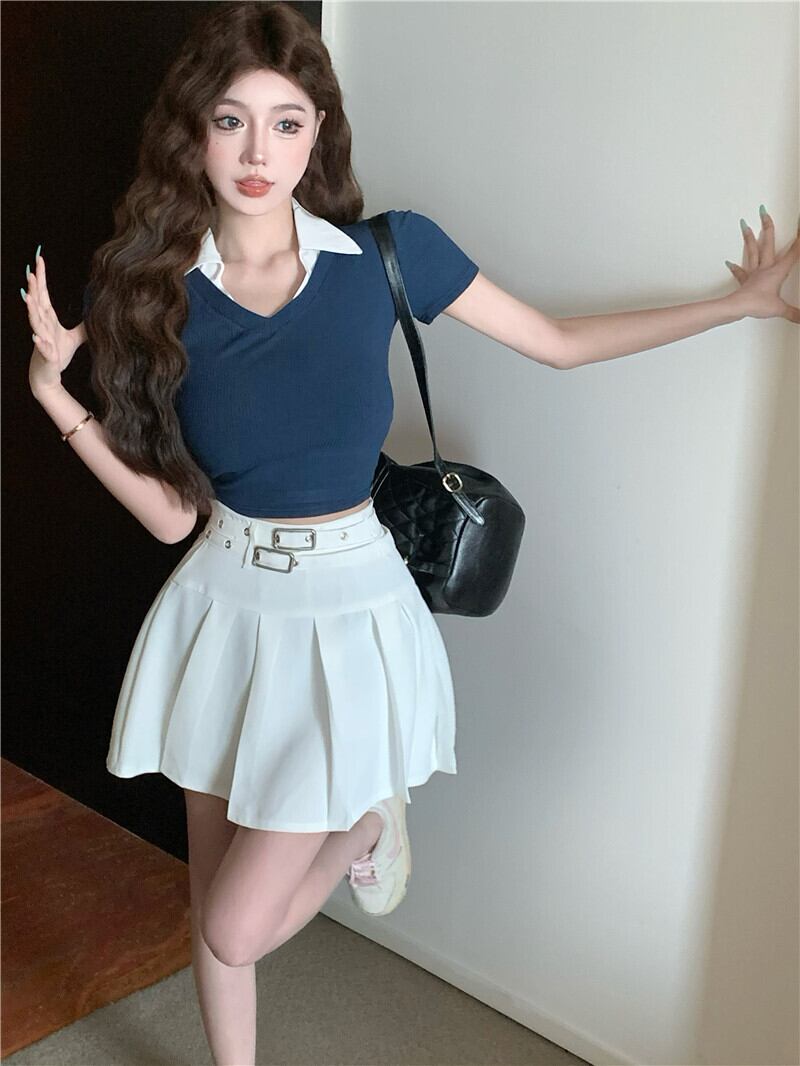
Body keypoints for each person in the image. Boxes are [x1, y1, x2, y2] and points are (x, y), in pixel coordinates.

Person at [22, 3, 800, 1064]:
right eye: (231, 120)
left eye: (286, 123)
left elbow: (558, 342)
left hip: (347, 611)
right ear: (192, 132)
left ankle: (366, 819)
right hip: (221, 607)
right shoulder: (153, 292)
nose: (257, 153)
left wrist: (731, 304)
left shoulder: (385, 255)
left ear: (319, 134)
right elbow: (171, 517)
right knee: (211, 897)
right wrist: (54, 397)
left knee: (234, 925)